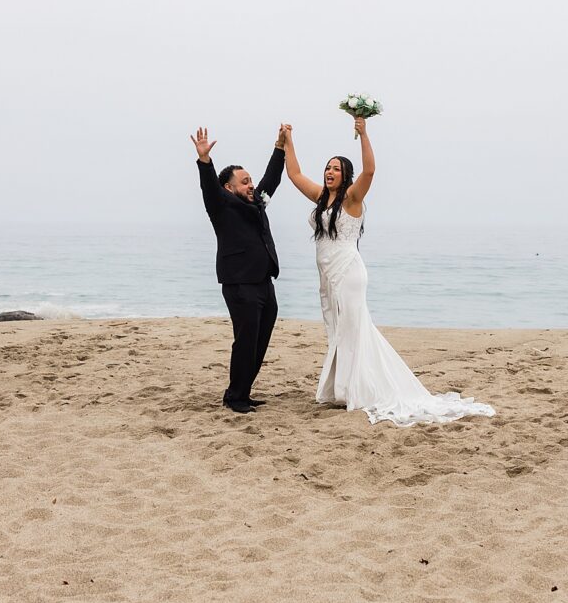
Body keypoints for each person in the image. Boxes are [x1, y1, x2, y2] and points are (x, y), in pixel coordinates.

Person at [279, 117, 494, 426]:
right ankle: (343, 388)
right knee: (338, 330)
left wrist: (364, 133)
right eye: (327, 167)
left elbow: (370, 170)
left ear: (345, 175)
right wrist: (288, 141)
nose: (329, 172)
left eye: (336, 168)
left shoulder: (352, 199)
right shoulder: (320, 197)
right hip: (328, 274)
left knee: (353, 330)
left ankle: (359, 391)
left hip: (349, 273)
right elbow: (295, 173)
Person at [191, 125, 287, 414]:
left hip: (264, 283)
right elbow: (209, 186)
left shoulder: (257, 203)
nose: (251, 185)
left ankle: (243, 391)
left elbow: (272, 179)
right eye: (244, 182)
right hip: (239, 283)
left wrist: (279, 147)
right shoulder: (221, 206)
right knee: (245, 340)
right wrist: (205, 161)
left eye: (251, 181)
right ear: (229, 188)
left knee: (260, 340)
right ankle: (235, 397)